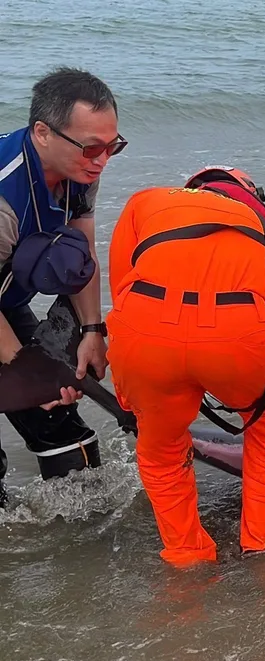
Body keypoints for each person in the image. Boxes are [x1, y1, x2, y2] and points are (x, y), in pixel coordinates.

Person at [105, 167, 265, 566]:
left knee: (160, 449)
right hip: (237, 333)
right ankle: (264, 545)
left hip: (145, 330)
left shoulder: (146, 201)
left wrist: (132, 394)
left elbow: (121, 283)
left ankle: (187, 556)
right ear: (249, 195)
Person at [0, 67, 121, 506]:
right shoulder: (4, 200)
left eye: (112, 146)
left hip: (6, 297)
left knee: (60, 424)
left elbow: (81, 257)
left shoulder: (81, 169)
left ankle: (82, 536)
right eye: (92, 147)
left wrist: (92, 331)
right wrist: (27, 371)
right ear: (43, 133)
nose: (102, 160)